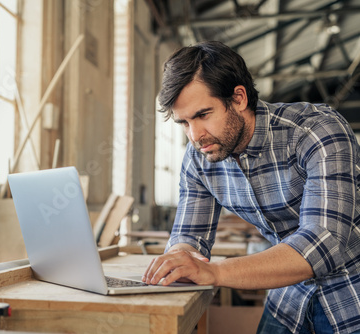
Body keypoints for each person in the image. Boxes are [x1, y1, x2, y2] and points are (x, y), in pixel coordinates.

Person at [142, 40, 360, 334]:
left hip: (350, 292)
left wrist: (215, 272)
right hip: (288, 296)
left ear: (239, 99)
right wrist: (181, 259)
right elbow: (188, 237)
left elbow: (322, 243)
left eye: (203, 115)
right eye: (184, 123)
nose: (195, 136)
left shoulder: (316, 131)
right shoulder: (200, 158)